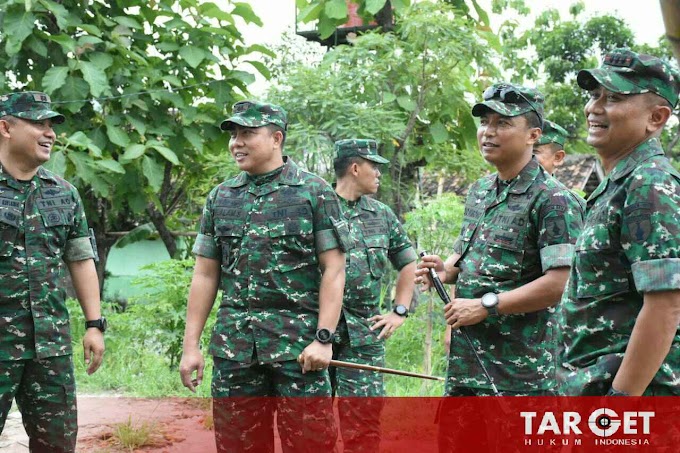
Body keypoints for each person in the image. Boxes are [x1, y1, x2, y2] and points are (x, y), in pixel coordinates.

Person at [416, 82, 583, 448]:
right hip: (466, 370)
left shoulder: (554, 200)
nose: (489, 131)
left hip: (521, 379)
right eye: (485, 122)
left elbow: (560, 284)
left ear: (533, 135)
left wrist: (485, 305)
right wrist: (443, 270)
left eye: (503, 123)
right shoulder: (480, 192)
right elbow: (469, 259)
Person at [179, 100, 349, 452]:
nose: (236, 143)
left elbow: (334, 268)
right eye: (234, 135)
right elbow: (205, 275)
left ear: (276, 138)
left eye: (247, 134)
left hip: (299, 352)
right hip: (235, 350)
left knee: (310, 445)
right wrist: (190, 346)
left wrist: (323, 337)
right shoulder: (221, 197)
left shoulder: (313, 192)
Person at [558, 48, 680, 397]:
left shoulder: (649, 185)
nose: (594, 108)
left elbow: (666, 306)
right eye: (594, 95)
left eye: (613, 98)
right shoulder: (617, 185)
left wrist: (619, 404)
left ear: (656, 118)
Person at [0, 91, 105, 453]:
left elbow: (80, 259)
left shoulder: (63, 193)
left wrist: (94, 324)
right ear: (5, 128)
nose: (49, 133)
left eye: (51, 125)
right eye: (38, 124)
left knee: (57, 445)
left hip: (50, 348)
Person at [331, 139, 417, 452]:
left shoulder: (382, 215)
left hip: (363, 337)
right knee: (309, 425)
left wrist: (400, 311)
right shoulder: (316, 208)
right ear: (355, 168)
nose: (379, 173)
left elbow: (408, 263)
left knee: (363, 426)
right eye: (374, 166)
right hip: (313, 334)